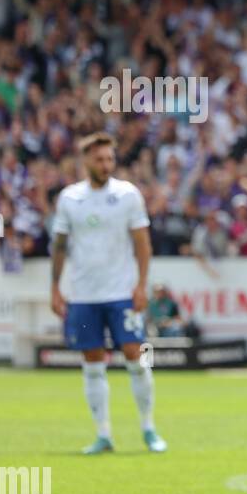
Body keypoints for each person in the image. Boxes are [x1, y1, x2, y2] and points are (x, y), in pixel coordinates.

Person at [51, 133, 165, 454]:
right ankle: (103, 434)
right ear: (86, 161)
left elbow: (143, 243)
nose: (105, 164)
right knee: (92, 362)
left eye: (110, 159)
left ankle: (148, 427)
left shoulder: (128, 195)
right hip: (84, 295)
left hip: (121, 293)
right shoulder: (69, 199)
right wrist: (55, 288)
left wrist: (141, 285)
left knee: (136, 356)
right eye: (99, 159)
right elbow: (59, 246)